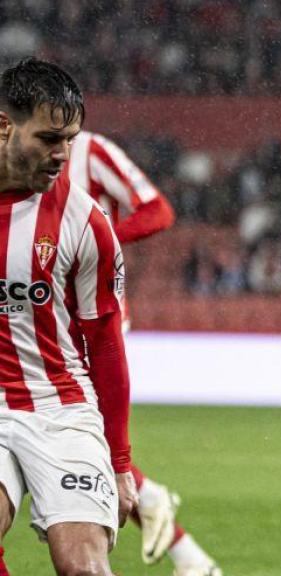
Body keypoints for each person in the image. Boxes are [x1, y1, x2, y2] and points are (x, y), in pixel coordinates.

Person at [0, 57, 136, 576]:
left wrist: (121, 463)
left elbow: (105, 343)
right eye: (49, 139)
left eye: (70, 140)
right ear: (5, 125)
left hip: (61, 405)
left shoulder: (86, 220)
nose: (62, 155)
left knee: (84, 569)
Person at [64, 130, 220, 575]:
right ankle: (189, 556)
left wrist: (95, 237)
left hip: (89, 316)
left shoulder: (90, 150)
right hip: (31, 321)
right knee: (71, 446)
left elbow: (157, 210)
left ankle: (165, 523)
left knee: (74, 442)